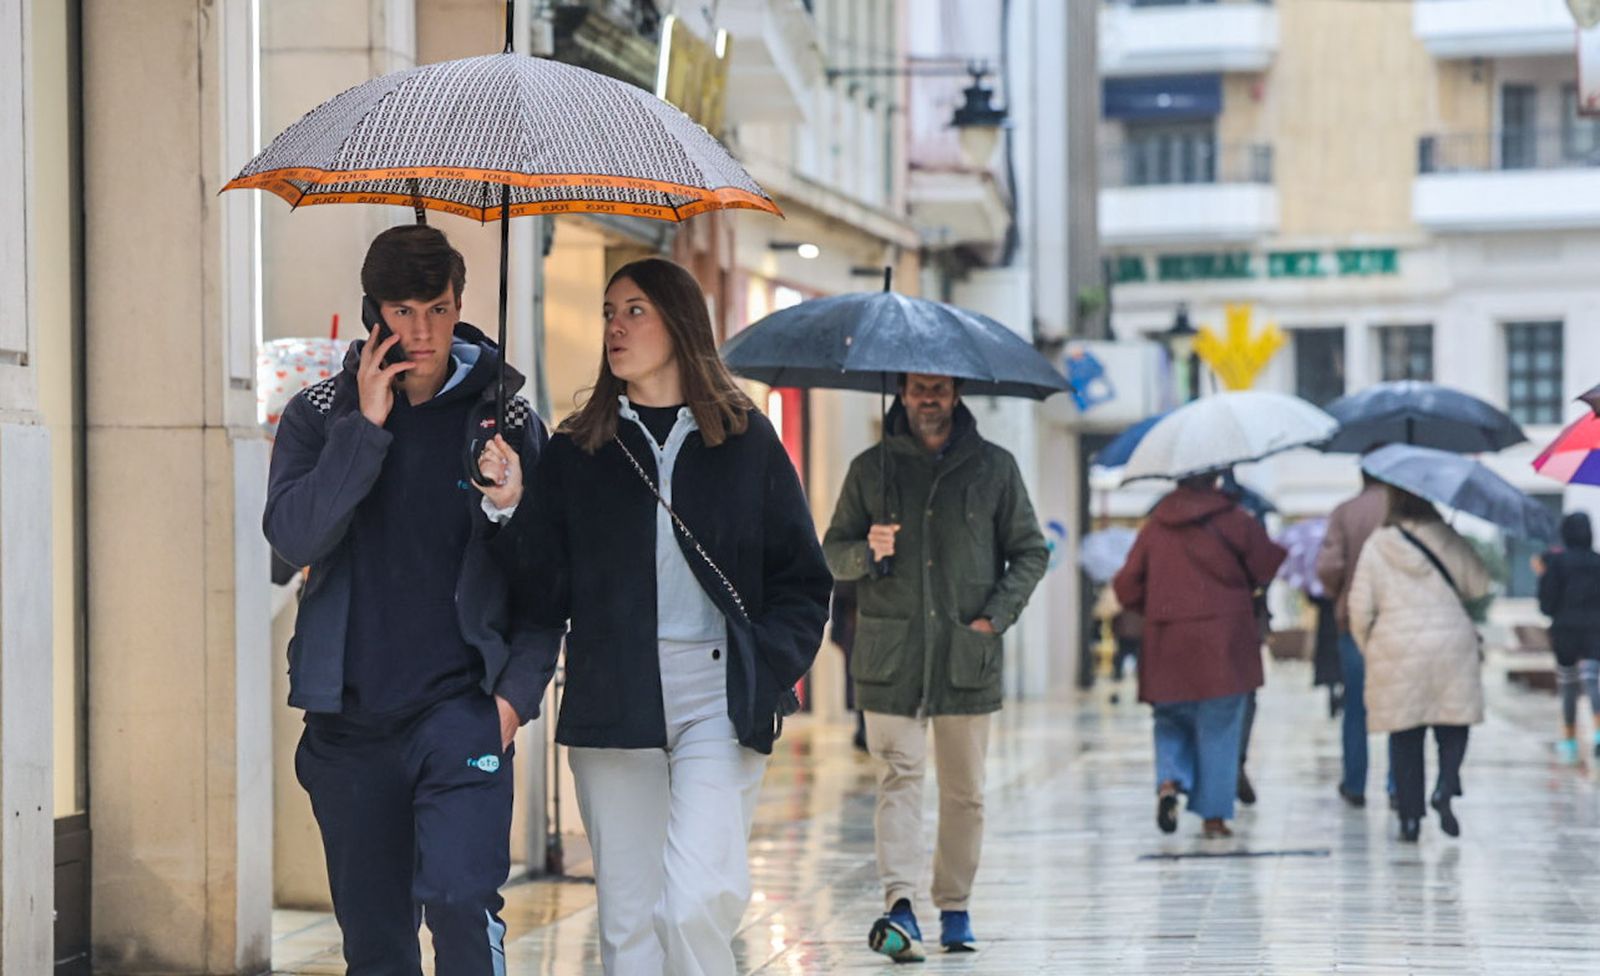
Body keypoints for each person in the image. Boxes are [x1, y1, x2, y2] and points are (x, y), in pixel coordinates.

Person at [476, 258, 831, 976]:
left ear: (680, 322)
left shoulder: (745, 440)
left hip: (719, 695)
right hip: (615, 695)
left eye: (634, 310)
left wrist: (765, 666)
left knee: (696, 900)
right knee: (630, 923)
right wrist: (511, 506)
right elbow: (543, 593)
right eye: (609, 312)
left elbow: (802, 578)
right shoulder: (579, 449)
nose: (615, 326)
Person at [264, 225, 554, 974]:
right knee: (377, 948)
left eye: (438, 309)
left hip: (461, 713)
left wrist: (512, 702)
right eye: (402, 311)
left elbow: (551, 580)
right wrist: (363, 429)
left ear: (459, 307)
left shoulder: (508, 423)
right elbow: (294, 538)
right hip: (348, 727)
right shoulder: (318, 414)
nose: (421, 332)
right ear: (374, 313)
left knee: (462, 905)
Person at [822, 373, 1047, 960]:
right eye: (918, 387)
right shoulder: (870, 470)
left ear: (956, 393)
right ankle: (900, 904)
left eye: (938, 388)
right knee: (898, 778)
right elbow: (831, 553)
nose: (928, 398)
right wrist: (866, 552)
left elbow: (1030, 551)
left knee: (964, 791)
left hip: (964, 656)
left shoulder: (994, 468)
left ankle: (954, 904)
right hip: (889, 658)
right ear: (901, 392)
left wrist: (993, 618)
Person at [1114, 471, 1285, 840]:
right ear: (1215, 480)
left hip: (1167, 642)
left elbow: (1126, 585)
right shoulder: (1237, 520)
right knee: (1220, 727)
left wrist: (1156, 605)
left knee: (1170, 719)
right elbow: (1267, 565)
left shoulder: (1155, 526)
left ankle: (1169, 782)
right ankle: (1214, 818)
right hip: (1225, 643)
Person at [1347, 485, 1492, 842]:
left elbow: (1359, 607)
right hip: (1451, 640)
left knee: (1405, 735)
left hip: (1395, 643)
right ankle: (1445, 784)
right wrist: (1454, 544)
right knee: (1453, 720)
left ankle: (1410, 819)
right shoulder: (1446, 535)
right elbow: (1479, 585)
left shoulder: (1378, 544)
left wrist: (1370, 646)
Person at [1316, 469, 1389, 809]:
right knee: (1400, 706)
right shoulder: (1406, 510)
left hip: (1355, 619)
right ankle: (1398, 785)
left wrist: (1342, 593)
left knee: (1356, 705)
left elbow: (1328, 566)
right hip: (1398, 617)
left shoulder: (1345, 511)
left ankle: (1355, 783)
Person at [1537, 512, 1600, 764]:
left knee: (1568, 683)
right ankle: (1598, 731)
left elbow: (1546, 605)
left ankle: (1569, 737)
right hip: (1595, 629)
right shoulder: (1598, 562)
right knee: (1592, 679)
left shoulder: (1556, 563)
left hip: (1565, 630)